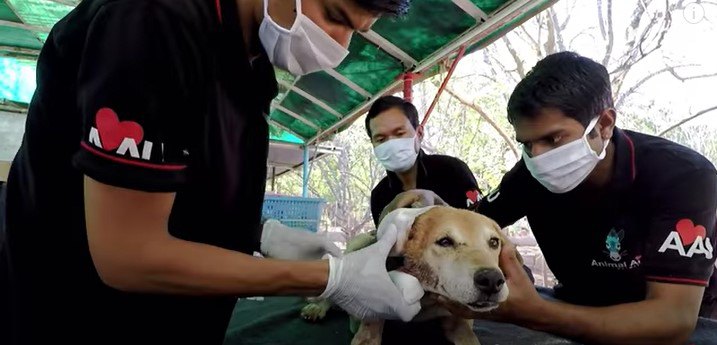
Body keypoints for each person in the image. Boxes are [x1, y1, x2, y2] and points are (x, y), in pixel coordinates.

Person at [0, 0, 424, 344]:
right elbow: (126, 256)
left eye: (356, 31)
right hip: (82, 315)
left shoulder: (251, 64)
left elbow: (182, 185)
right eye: (333, 16)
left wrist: (260, 233)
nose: (339, 45)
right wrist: (328, 279)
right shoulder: (151, 22)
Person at [379, 51, 717, 344]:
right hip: (576, 303)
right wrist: (430, 211)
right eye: (527, 144)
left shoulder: (683, 177)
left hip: (674, 325)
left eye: (554, 139)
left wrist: (536, 314)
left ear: (604, 124)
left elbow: (672, 320)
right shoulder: (528, 176)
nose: (538, 157)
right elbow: (476, 222)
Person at [367, 95, 484, 226]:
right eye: (381, 139)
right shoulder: (380, 196)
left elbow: (483, 224)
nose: (391, 144)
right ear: (373, 144)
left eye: (399, 133)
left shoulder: (452, 171)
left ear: (419, 133)